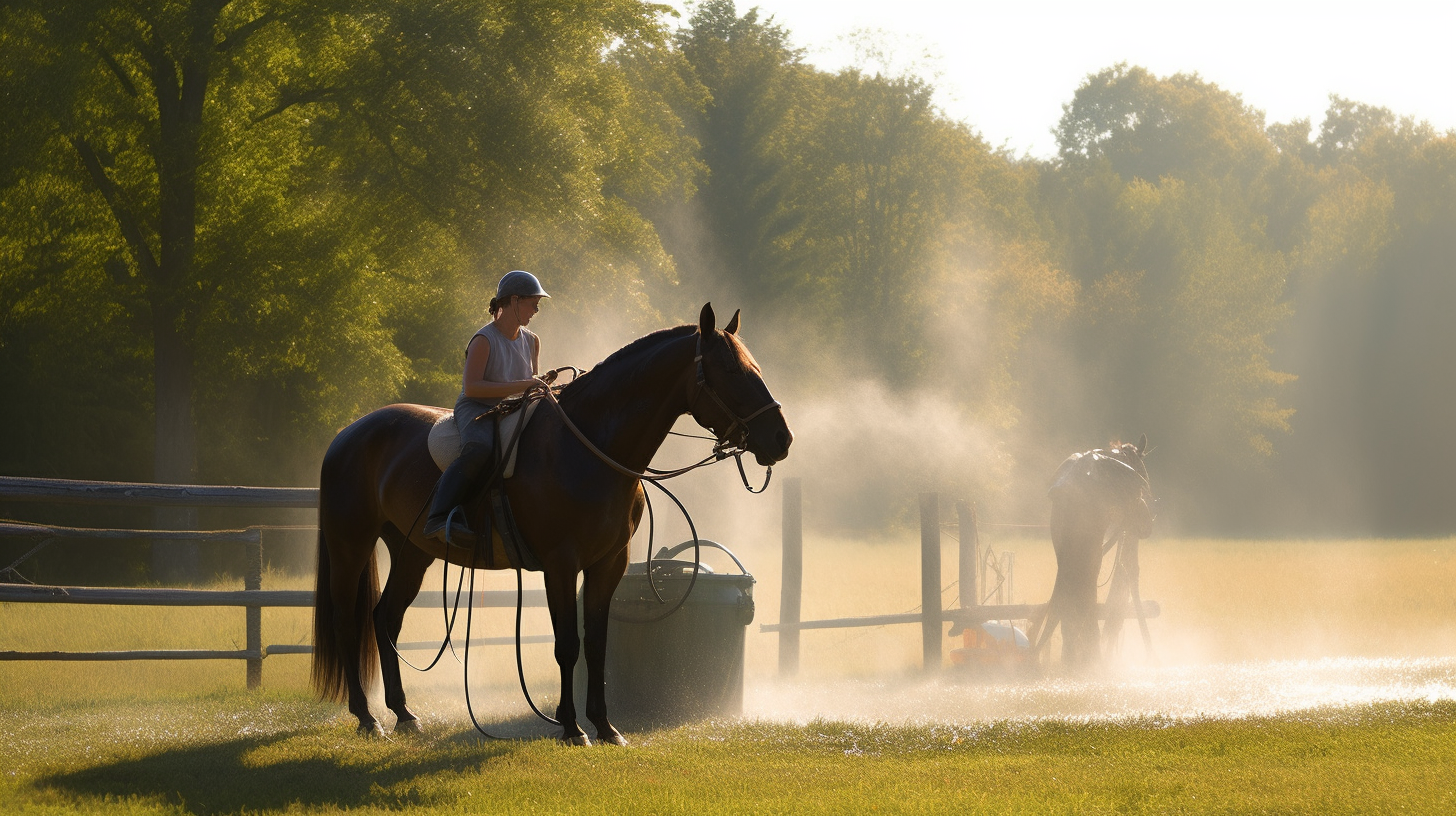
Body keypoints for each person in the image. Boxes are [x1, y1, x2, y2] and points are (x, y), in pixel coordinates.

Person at [423, 270, 551, 543]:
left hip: (515, 406)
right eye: (533, 303)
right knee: (480, 449)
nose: (536, 310)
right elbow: (472, 388)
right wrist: (524, 385)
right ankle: (438, 516)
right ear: (514, 301)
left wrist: (539, 387)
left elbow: (530, 383)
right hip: (476, 407)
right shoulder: (483, 339)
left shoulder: (532, 341)